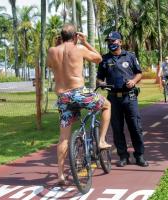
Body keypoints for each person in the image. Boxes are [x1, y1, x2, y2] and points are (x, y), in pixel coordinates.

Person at [46, 23, 112, 185]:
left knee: (63, 138)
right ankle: (102, 140)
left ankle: (61, 175)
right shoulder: (79, 48)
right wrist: (85, 42)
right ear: (75, 36)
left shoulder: (52, 51)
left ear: (61, 37)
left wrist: (56, 46)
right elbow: (99, 58)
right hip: (78, 93)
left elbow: (49, 64)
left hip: (63, 97)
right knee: (107, 105)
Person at [97, 31, 149, 167]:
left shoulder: (130, 56)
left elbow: (139, 73)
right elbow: (99, 78)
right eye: (109, 41)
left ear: (120, 42)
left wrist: (133, 81)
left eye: (113, 41)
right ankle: (123, 156)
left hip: (130, 97)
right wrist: (100, 83)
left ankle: (139, 156)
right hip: (113, 99)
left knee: (135, 127)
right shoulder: (105, 59)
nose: (111, 43)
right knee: (117, 128)